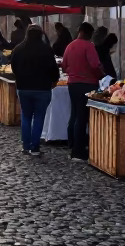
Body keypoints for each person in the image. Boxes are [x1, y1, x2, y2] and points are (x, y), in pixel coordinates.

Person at [10, 25, 59, 155]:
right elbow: (53, 69)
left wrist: (19, 78)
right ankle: (35, 147)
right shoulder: (46, 49)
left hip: (23, 87)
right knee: (39, 117)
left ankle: (26, 145)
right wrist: (54, 80)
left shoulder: (18, 49)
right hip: (42, 88)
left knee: (25, 116)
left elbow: (13, 67)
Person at [61, 22, 104, 161]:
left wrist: (73, 73)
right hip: (87, 85)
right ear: (87, 33)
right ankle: (78, 151)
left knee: (74, 114)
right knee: (82, 117)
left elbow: (64, 66)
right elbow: (95, 65)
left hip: (72, 84)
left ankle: (72, 144)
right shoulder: (88, 46)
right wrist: (101, 75)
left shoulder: (70, 45)